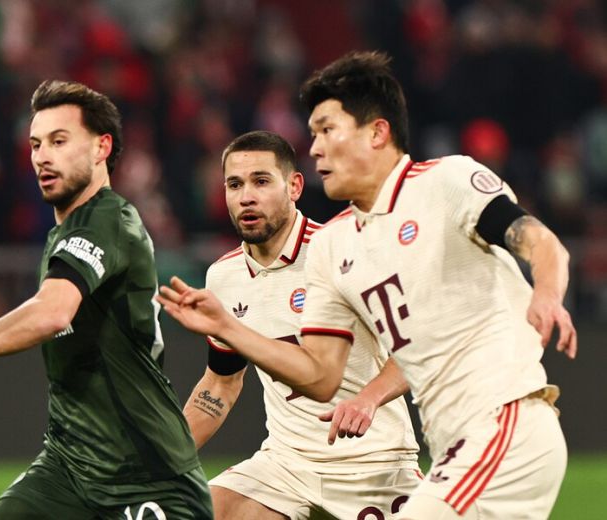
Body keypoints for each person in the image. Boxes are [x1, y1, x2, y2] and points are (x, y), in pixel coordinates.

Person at [158, 51, 577, 520]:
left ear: (377, 132)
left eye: (328, 130)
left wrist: (546, 292)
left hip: (498, 421)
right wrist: (228, 329)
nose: (317, 147)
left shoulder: (446, 181)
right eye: (314, 133)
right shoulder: (338, 245)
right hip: (407, 449)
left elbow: (539, 242)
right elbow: (320, 377)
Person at [0, 79, 213, 520]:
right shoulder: (64, 233)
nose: (42, 156)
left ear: (101, 147)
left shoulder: (107, 219)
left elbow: (52, 313)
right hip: (68, 466)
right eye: (35, 144)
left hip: (147, 473)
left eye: (58, 141)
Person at [184, 130, 422, 519]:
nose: (246, 196)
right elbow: (221, 383)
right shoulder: (223, 277)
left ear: (294, 186)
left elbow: (419, 344)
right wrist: (162, 459)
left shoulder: (344, 254)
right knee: (198, 512)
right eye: (235, 184)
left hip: (373, 462)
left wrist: (368, 399)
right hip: (285, 466)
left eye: (261, 181)